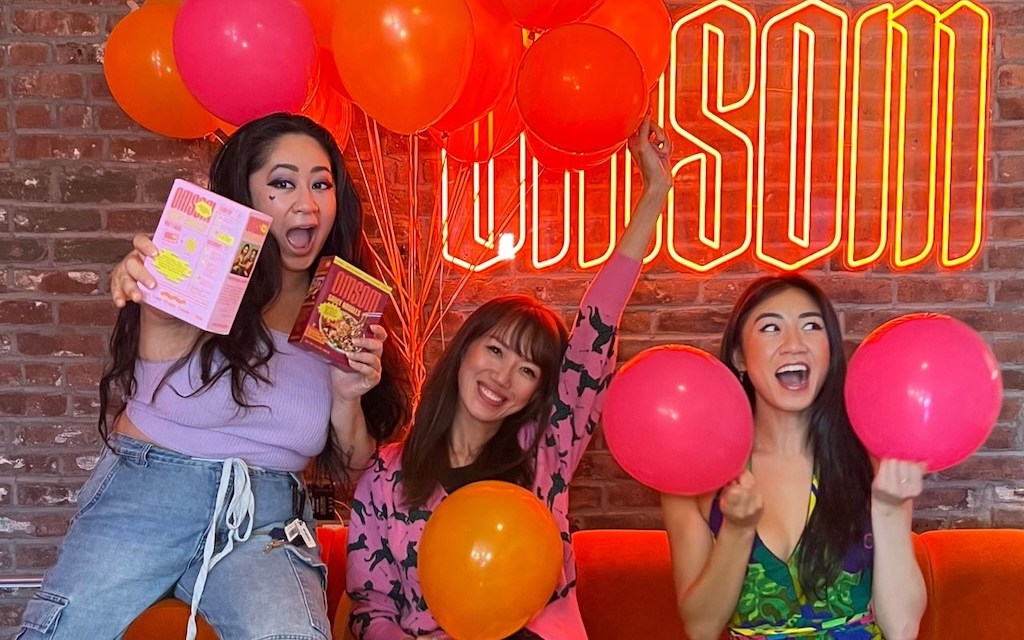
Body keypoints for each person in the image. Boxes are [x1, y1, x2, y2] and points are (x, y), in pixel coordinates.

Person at [16, 113, 408, 640]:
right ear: (245, 194)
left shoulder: (342, 311)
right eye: (282, 183)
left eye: (321, 184)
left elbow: (356, 464)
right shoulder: (199, 279)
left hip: (264, 522)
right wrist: (145, 284)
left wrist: (347, 394)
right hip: (149, 496)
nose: (307, 204)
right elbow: (158, 323)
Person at [345, 118, 673, 640]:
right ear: (464, 352)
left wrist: (654, 193)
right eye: (495, 350)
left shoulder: (545, 452)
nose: (502, 376)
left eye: (527, 370)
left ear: (537, 392)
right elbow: (373, 606)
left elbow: (597, 328)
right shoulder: (388, 473)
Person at [660, 275, 927, 640]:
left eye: (811, 326)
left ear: (829, 351)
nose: (794, 344)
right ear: (739, 356)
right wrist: (737, 531)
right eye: (771, 328)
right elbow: (701, 628)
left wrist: (890, 511)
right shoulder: (693, 478)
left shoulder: (872, 462)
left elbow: (903, 628)